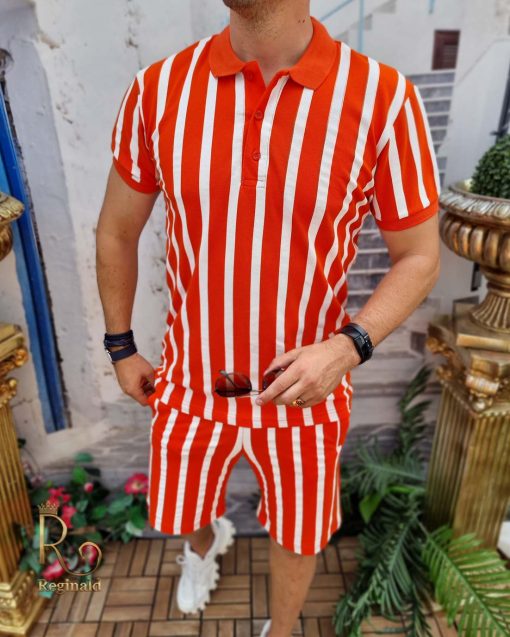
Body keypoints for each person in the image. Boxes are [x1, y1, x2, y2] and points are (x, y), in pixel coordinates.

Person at [95, 0, 441, 635]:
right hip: (190, 381)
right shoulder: (159, 89)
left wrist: (348, 347)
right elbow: (117, 230)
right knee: (185, 508)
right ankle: (204, 549)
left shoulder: (383, 98)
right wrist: (121, 347)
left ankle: (280, 631)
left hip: (307, 391)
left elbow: (419, 256)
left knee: (299, 533)